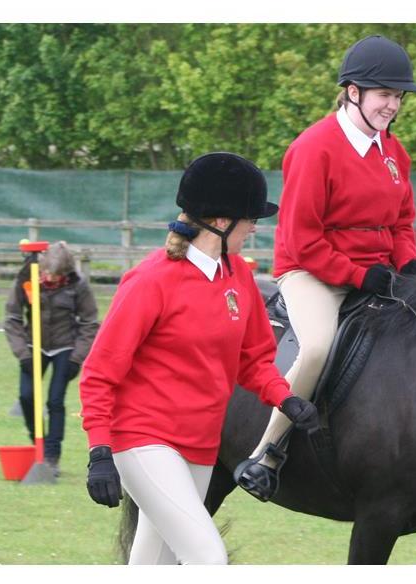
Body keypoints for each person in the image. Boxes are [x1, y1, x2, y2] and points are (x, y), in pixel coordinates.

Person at [79, 152, 320, 564]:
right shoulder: (151, 280)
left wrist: (286, 399)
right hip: (144, 439)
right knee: (208, 559)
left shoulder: (238, 276)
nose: (254, 228)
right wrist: (100, 451)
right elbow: (100, 373)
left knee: (156, 565)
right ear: (222, 222)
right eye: (250, 220)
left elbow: (255, 359)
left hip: (201, 442)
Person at [233, 34, 416, 501]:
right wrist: (360, 276)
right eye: (386, 95)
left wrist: (411, 264)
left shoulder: (393, 152)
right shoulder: (314, 148)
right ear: (353, 92)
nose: (393, 106)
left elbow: (402, 221)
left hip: (379, 271)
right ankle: (267, 453)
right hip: (312, 273)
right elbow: (302, 240)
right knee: (318, 347)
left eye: (398, 97)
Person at [4, 241, 100, 475]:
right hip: (32, 346)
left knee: (55, 401)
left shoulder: (78, 285)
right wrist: (23, 354)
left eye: (57, 276)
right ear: (42, 266)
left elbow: (89, 323)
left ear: (66, 272)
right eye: (48, 273)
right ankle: (37, 441)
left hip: (64, 348)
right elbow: (12, 318)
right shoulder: (27, 278)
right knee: (27, 396)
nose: (52, 278)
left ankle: (51, 456)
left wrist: (76, 359)